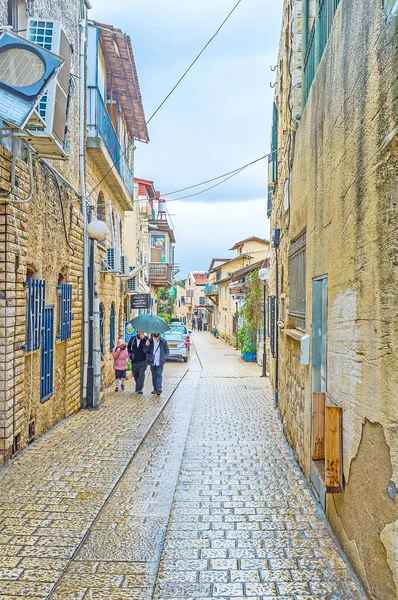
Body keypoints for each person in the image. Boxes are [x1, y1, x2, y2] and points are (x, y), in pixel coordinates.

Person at [128, 330, 150, 394]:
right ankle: (138, 386)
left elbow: (148, 348)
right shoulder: (133, 339)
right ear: (136, 332)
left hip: (143, 360)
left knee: (141, 374)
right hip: (134, 360)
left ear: (143, 333)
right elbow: (129, 347)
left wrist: (144, 340)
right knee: (135, 374)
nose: (139, 333)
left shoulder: (146, 339)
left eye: (141, 332)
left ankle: (139, 388)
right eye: (138, 332)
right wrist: (130, 354)